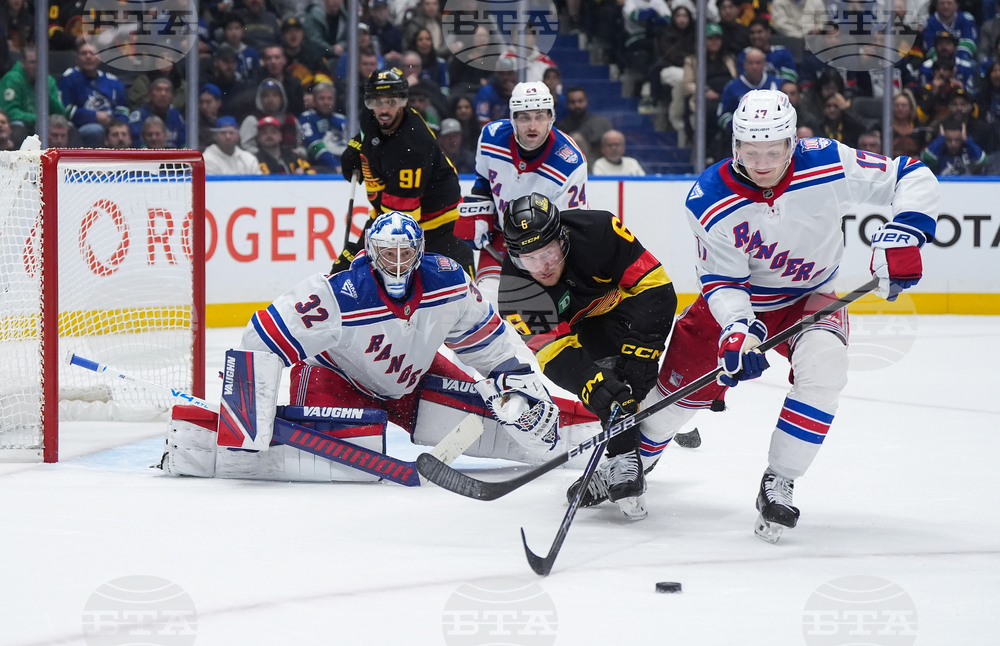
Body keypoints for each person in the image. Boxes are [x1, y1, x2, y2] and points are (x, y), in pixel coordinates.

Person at [622, 89, 938, 541]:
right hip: (739, 302)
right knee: (676, 400)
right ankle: (634, 460)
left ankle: (780, 479)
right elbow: (723, 280)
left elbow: (911, 174)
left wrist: (906, 231)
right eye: (751, 152)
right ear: (735, 146)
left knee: (826, 370)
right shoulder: (709, 198)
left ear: (792, 142)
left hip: (811, 296)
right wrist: (738, 330)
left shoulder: (827, 161)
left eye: (773, 151)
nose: (762, 163)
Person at [160, 211, 568, 481]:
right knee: (356, 460)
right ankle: (206, 445)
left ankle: (577, 436)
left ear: (420, 251)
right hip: (334, 378)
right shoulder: (338, 294)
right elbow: (262, 337)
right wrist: (247, 410)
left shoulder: (450, 283)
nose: (397, 263)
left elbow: (489, 343)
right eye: (388, 254)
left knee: (496, 420)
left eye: (405, 253)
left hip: (411, 380)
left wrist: (516, 383)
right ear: (372, 253)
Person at [499, 194, 677, 519]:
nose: (543, 266)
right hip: (586, 327)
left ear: (562, 238)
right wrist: (592, 385)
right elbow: (555, 353)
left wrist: (643, 350)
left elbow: (655, 287)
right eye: (530, 259)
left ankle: (631, 446)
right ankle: (622, 461)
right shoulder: (516, 291)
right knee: (611, 389)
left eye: (549, 252)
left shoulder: (598, 230)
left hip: (629, 306)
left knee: (634, 376)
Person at [457, 81, 589, 304]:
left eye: (540, 116)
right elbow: (483, 182)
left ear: (551, 117)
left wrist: (537, 259)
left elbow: (570, 226)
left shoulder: (569, 163)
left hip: (545, 249)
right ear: (512, 119)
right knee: (486, 303)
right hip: (501, 239)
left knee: (540, 314)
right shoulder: (490, 137)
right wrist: (480, 214)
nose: (533, 126)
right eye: (524, 117)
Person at [334, 67, 473, 276]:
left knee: (459, 290)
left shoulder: (412, 147)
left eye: (391, 101)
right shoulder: (372, 116)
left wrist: (361, 250)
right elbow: (367, 132)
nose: (384, 109)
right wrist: (357, 146)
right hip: (395, 212)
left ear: (403, 102)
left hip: (442, 229)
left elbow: (398, 222)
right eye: (377, 101)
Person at [58, 42, 130, 148]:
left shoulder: (113, 81)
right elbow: (66, 110)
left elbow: (123, 110)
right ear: (77, 59)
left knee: (124, 131)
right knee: (95, 130)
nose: (88, 56)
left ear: (99, 58)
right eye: (84, 53)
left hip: (111, 126)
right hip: (82, 127)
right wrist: (94, 116)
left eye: (92, 53)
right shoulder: (69, 78)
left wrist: (115, 125)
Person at [0, 46, 66, 138]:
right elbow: (10, 112)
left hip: (45, 124)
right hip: (23, 124)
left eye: (40, 62)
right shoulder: (12, 79)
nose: (37, 66)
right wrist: (39, 118)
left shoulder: (49, 80)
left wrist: (47, 95)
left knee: (67, 127)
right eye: (32, 62)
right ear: (23, 63)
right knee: (18, 126)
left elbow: (60, 112)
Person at [299, 82, 348, 173]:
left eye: (330, 98)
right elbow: (314, 146)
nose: (326, 102)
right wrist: (336, 166)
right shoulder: (307, 118)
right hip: (323, 169)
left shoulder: (343, 120)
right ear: (314, 100)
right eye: (322, 98)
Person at [128, 79, 187, 149]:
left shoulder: (176, 115)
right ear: (150, 95)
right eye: (158, 90)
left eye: (167, 90)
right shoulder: (139, 116)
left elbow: (184, 143)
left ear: (171, 95)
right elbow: (136, 142)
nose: (163, 94)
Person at [921, 115, 988, 174]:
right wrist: (940, 138)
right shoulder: (937, 154)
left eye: (957, 140)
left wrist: (967, 140)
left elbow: (982, 160)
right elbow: (927, 158)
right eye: (949, 140)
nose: (953, 144)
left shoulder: (970, 152)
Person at [737, 18, 798, 83]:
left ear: (768, 32)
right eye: (752, 33)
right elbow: (744, 80)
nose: (755, 36)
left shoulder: (782, 52)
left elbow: (791, 78)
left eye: (759, 32)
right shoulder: (745, 55)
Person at [554, 86, 613, 152]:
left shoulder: (601, 122)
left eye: (580, 101)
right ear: (567, 104)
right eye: (572, 102)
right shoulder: (561, 127)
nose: (577, 105)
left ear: (587, 101)